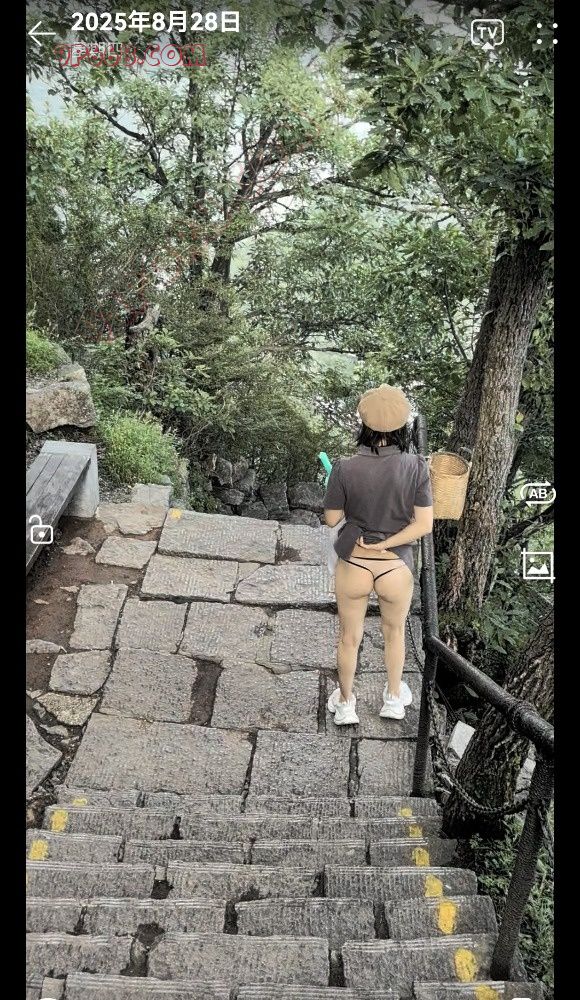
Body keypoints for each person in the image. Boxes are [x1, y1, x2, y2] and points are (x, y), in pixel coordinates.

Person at [323, 385, 434, 726]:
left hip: (354, 563)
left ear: (364, 424)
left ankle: (346, 705)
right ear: (403, 427)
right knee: (395, 633)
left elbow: (332, 519)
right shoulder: (417, 466)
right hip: (395, 567)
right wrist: (387, 543)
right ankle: (393, 700)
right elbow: (424, 524)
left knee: (348, 637)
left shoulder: (344, 467)